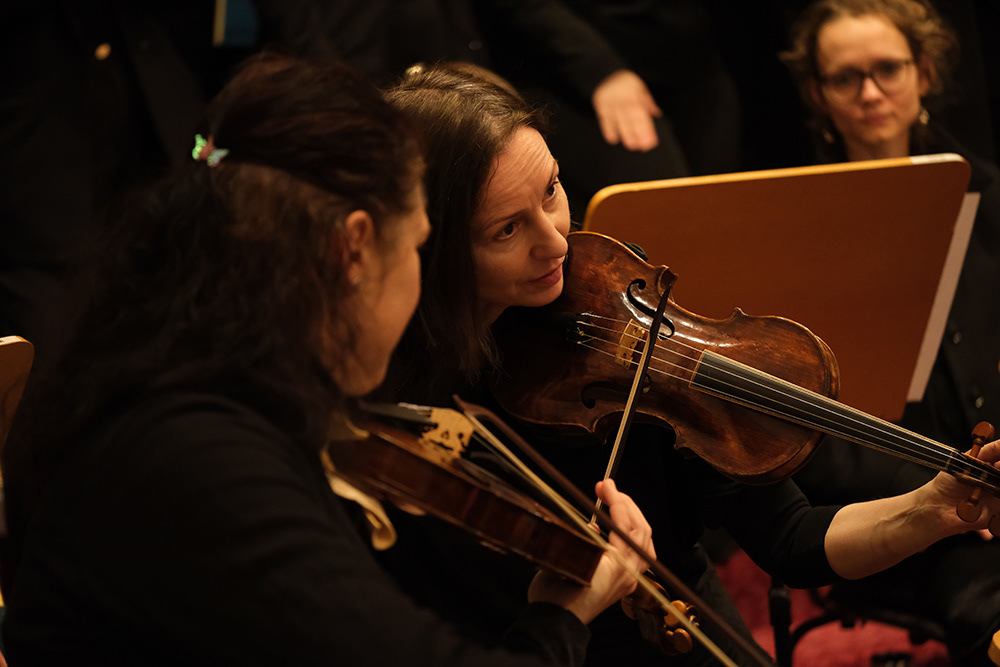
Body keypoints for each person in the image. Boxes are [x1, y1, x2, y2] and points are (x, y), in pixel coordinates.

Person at [0, 52, 656, 666]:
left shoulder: (195, 373)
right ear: (354, 249)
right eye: (417, 251)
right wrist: (563, 616)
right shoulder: (203, 463)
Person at [373, 61, 1000, 667]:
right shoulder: (388, 385)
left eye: (553, 191)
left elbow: (793, 538)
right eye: (508, 230)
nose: (557, 240)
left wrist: (926, 509)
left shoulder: (619, 303)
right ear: (432, 242)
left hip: (690, 627)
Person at [779, 1, 1000, 663]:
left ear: (924, 73)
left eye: (888, 69)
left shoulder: (986, 195)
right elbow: (814, 439)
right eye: (846, 77)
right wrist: (948, 488)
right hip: (904, 518)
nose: (871, 92)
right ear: (818, 93)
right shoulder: (796, 231)